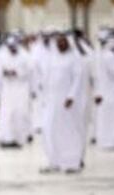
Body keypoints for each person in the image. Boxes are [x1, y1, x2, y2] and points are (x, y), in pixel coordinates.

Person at [39, 33, 86, 174]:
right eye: (58, 42)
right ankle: (54, 161)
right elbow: (46, 79)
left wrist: (71, 96)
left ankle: (72, 162)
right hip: (51, 100)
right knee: (49, 129)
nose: (61, 44)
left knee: (69, 131)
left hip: (67, 101)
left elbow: (78, 78)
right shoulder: (51, 58)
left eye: (63, 42)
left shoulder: (74, 59)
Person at [0, 37, 32, 148]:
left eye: (14, 47)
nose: (12, 49)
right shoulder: (1, 56)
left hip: (21, 88)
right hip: (6, 90)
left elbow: (30, 71)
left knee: (21, 112)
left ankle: (20, 137)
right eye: (10, 47)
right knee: (6, 113)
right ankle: (6, 138)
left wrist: (17, 72)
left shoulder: (25, 56)